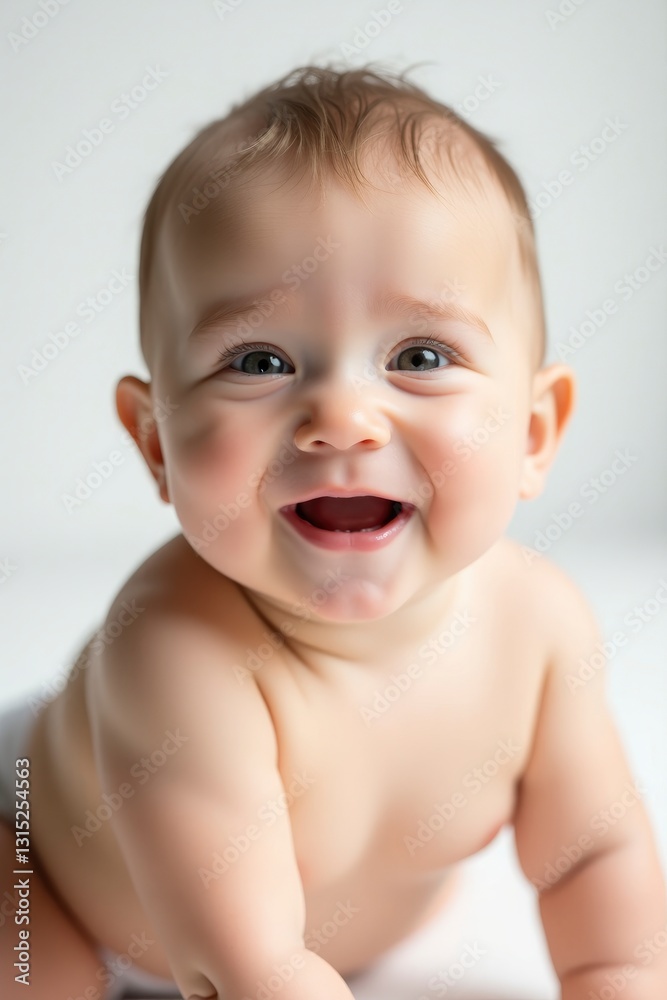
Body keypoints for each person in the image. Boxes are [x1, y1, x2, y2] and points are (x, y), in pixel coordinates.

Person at [2, 63, 665, 1000]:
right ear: (156, 444)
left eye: (420, 356)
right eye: (259, 359)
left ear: (531, 431)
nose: (342, 417)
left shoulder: (540, 630)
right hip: (38, 852)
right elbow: (249, 967)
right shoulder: (174, 651)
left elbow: (593, 856)